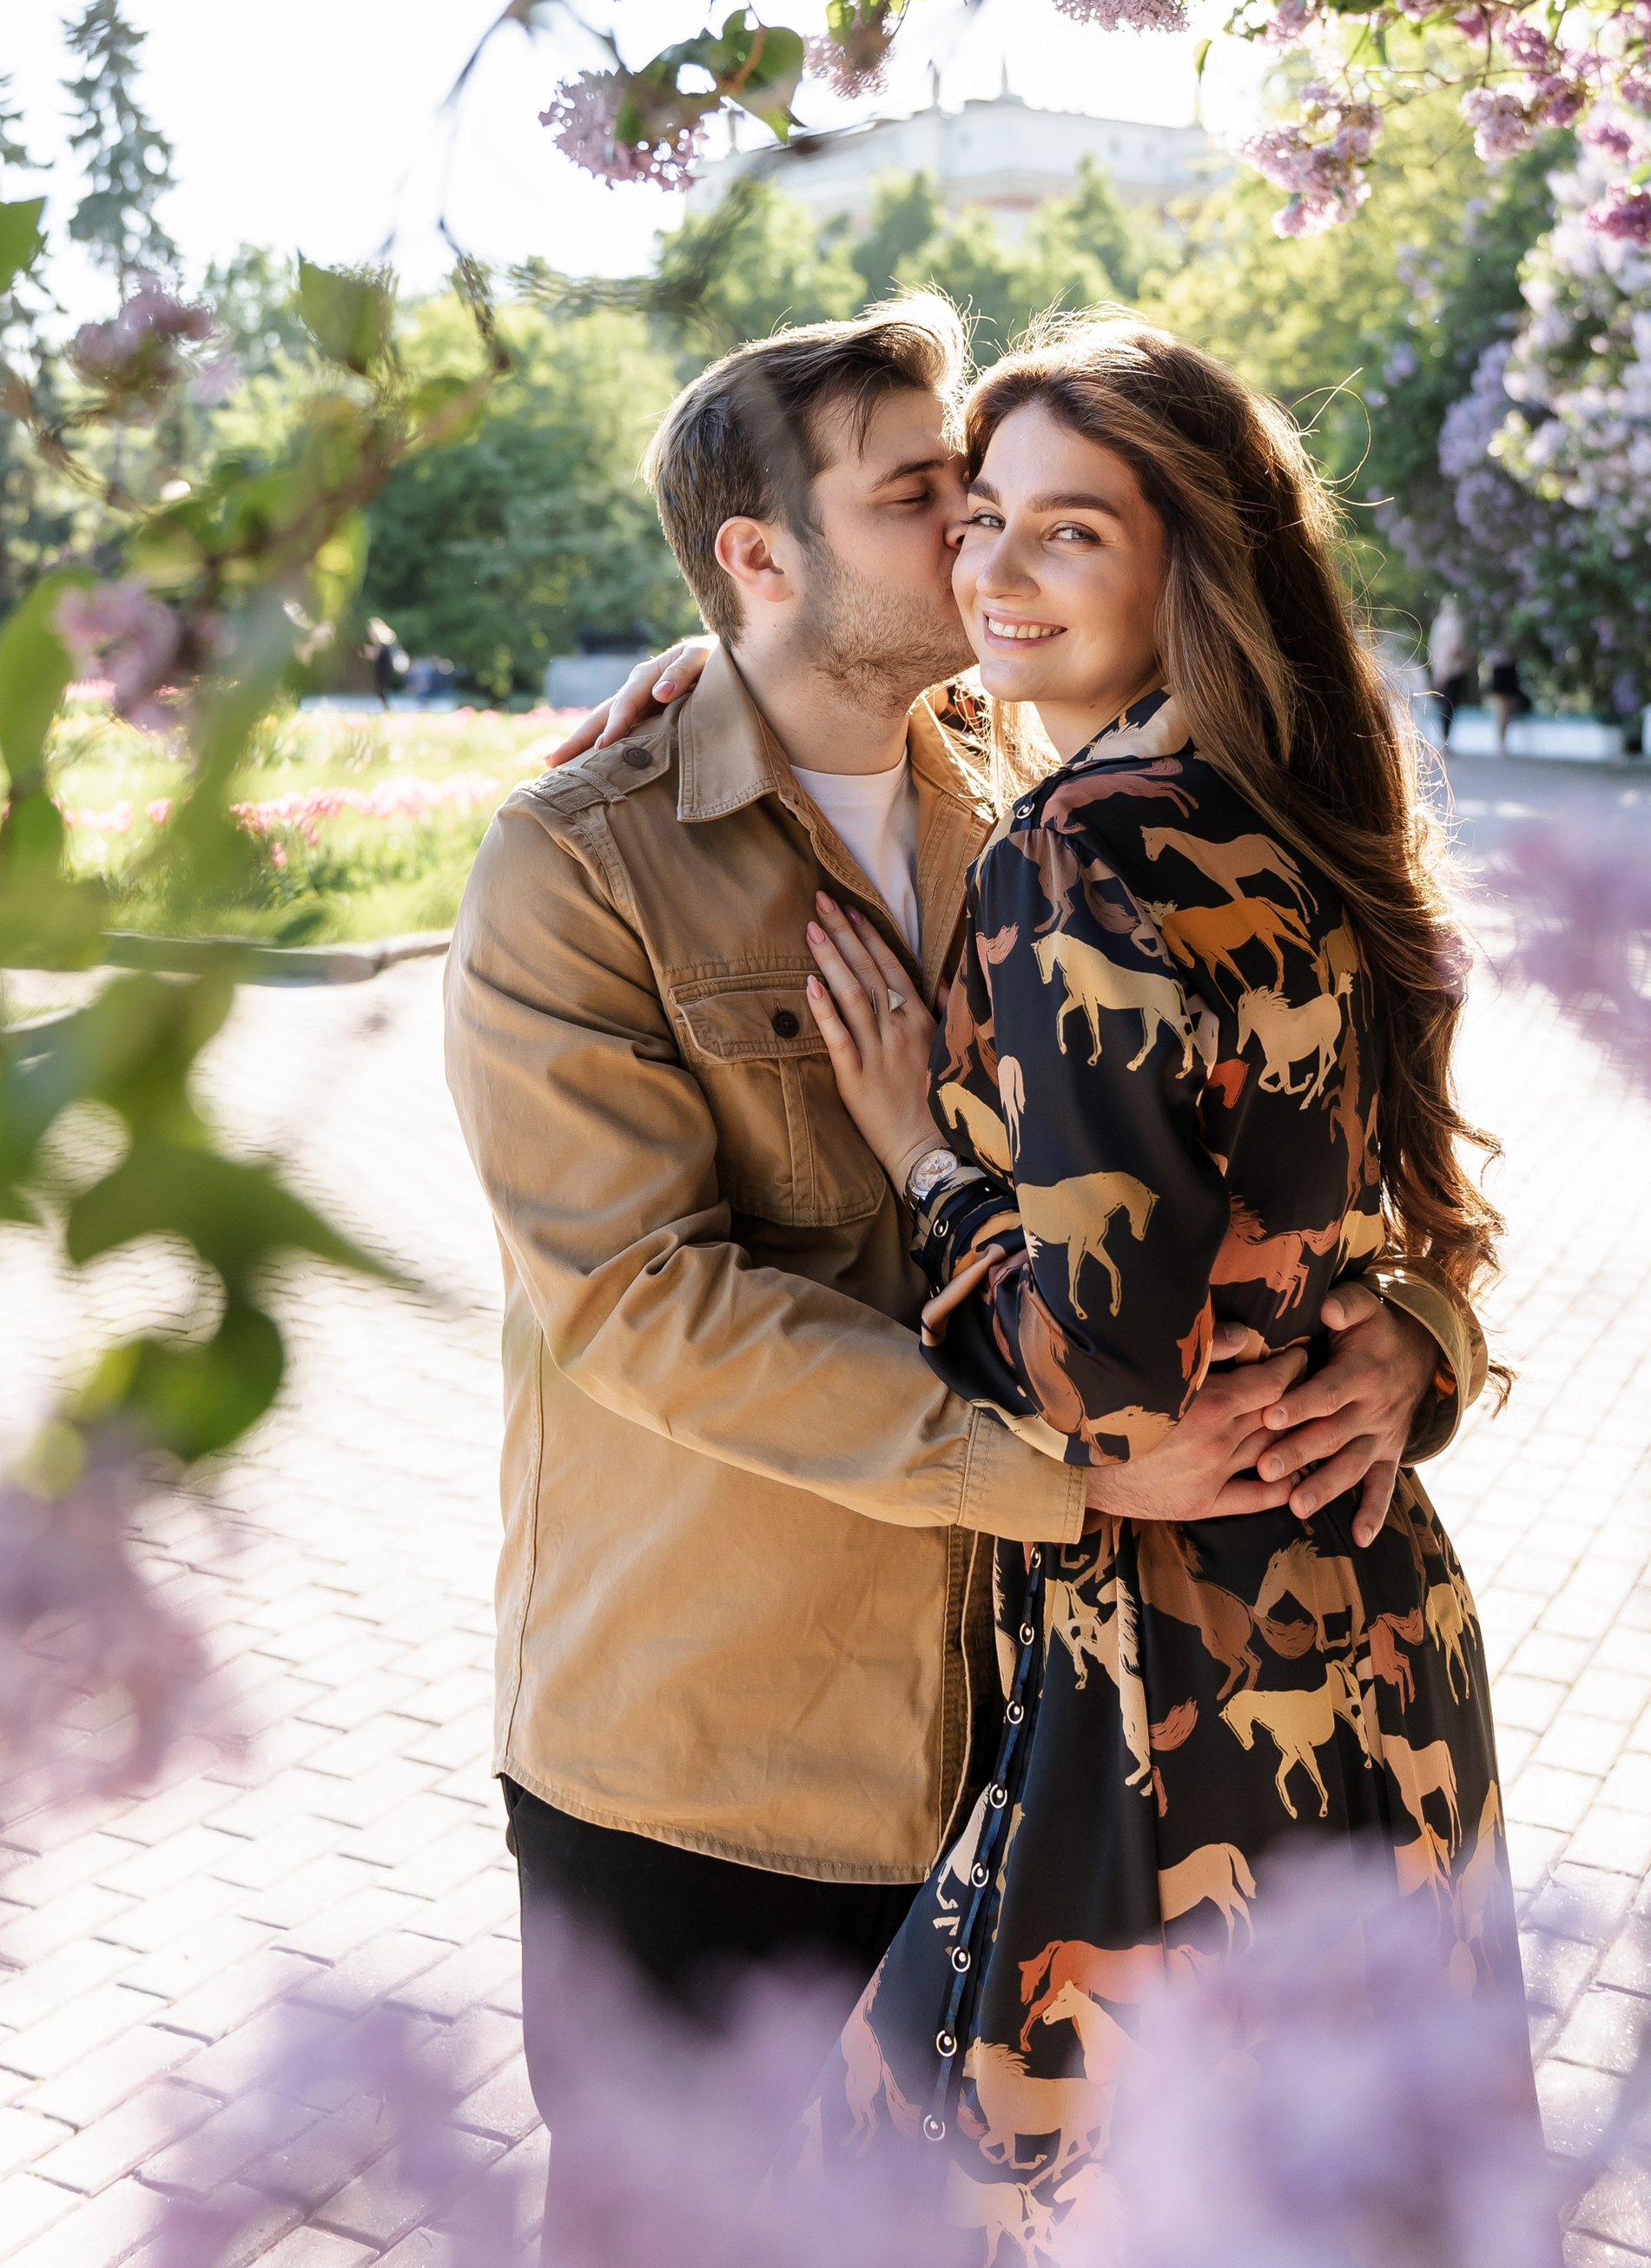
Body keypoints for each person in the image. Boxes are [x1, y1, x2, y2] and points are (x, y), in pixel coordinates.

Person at [442, 299, 1485, 2246]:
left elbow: (1301, 1153)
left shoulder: (1028, 804)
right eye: (925, 495)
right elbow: (634, 1303)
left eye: (990, 497)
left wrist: (1410, 1335)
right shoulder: (578, 865)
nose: (970, 544)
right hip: (721, 1753)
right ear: (757, 561)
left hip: (1022, 1750)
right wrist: (1070, 1469)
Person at [792, 313, 1529, 2251]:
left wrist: (923, 1165)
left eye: (1067, 535)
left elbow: (1106, 1392)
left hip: (1184, 1677)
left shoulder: (1077, 853)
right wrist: (1416, 1343)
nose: (991, 572)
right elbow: (1401, 1223)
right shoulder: (1297, 818)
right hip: (1382, 1619)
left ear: (1184, 564)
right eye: (978, 523)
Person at [1426, 595, 1472, 748]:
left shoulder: (1438, 622)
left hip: (1442, 668)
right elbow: (1454, 648)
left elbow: (1433, 648)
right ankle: (1445, 739)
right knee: (1450, 704)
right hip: (1453, 669)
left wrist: (1437, 668)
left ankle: (1444, 739)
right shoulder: (1455, 623)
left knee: (1446, 703)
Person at [1483, 641, 1525, 753]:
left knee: (1506, 711)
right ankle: (1501, 743)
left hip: (1509, 669)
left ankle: (1503, 742)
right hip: (1500, 670)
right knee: (1502, 711)